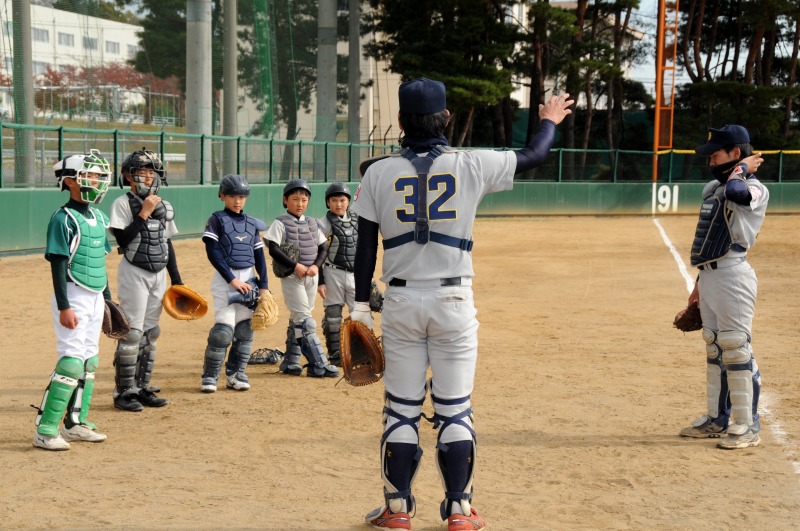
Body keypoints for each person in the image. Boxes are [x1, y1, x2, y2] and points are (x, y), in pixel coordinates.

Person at [350, 77, 573, 530]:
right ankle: (460, 511)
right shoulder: (471, 163)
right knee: (455, 409)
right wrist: (548, 120)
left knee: (401, 410)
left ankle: (396, 511)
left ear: (399, 122)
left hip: (401, 301)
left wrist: (358, 306)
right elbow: (535, 155)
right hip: (453, 299)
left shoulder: (376, 172)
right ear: (446, 118)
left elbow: (364, 248)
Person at [679, 125, 768, 450]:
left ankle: (746, 425)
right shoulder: (713, 189)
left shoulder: (754, 188)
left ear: (734, 153)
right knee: (715, 347)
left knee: (735, 347)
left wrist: (743, 169)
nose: (710, 161)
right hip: (712, 276)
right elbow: (708, 241)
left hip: (734, 275)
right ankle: (717, 419)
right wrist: (698, 286)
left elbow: (738, 193)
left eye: (716, 155)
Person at [33, 149, 113, 450]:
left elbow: (99, 262)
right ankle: (46, 429)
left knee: (89, 360)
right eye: (89, 175)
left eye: (98, 176)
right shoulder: (62, 218)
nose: (96, 180)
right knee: (70, 362)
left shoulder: (96, 216)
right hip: (72, 294)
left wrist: (106, 299)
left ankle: (74, 423)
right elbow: (57, 263)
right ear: (69, 181)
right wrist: (64, 305)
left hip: (93, 296)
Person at [108, 148, 179, 411]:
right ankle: (123, 392)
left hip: (159, 273)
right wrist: (144, 212)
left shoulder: (166, 207)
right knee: (132, 332)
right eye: (142, 173)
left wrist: (177, 280)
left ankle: (142, 386)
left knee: (151, 332)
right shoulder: (122, 203)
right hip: (134, 271)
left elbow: (167, 243)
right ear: (129, 176)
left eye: (152, 173)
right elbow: (123, 239)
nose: (148, 178)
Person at [200, 174, 269, 393]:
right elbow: (213, 253)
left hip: (249, 281)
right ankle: (210, 376)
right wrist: (232, 279)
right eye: (231, 196)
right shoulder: (217, 220)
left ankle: (236, 374)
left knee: (245, 330)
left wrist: (264, 286)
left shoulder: (251, 224)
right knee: (223, 331)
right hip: (225, 281)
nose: (237, 200)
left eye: (241, 196)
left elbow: (259, 257)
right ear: (222, 196)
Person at [264, 179, 339, 378]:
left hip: (311, 276)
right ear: (285, 200)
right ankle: (318, 364)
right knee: (306, 321)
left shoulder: (313, 223)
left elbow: (323, 247)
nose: (300, 203)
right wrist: (295, 265)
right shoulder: (280, 222)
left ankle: (291, 361)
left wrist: (315, 265)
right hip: (291, 276)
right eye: (295, 199)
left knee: (298, 318)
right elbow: (273, 248)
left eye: (304, 200)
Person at [317, 182, 358, 366]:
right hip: (332, 272)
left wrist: (368, 276)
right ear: (328, 203)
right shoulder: (322, 224)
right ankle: (335, 354)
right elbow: (316, 253)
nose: (338, 204)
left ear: (348, 201)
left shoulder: (358, 220)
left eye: (342, 200)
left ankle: (360, 351)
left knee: (360, 314)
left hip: (356, 274)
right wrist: (321, 280)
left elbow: (365, 249)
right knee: (333, 315)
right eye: (334, 200)